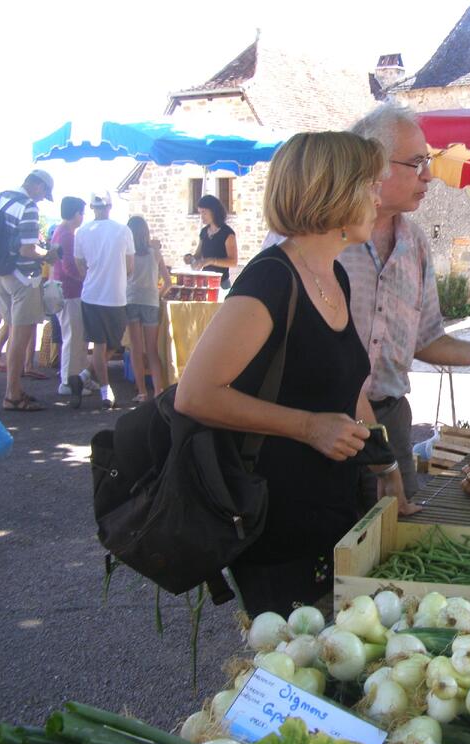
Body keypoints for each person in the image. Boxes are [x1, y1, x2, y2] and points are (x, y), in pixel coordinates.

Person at [175, 131, 407, 617]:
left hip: (330, 512)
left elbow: (349, 390)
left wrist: (384, 464)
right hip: (274, 522)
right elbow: (195, 395)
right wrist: (309, 426)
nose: (376, 197)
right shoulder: (270, 279)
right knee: (292, 661)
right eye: (368, 186)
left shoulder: (334, 274)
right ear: (335, 191)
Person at [342, 101, 470, 506]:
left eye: (428, 162)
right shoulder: (318, 241)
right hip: (328, 423)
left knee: (397, 540)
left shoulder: (413, 243)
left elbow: (426, 339)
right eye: (417, 163)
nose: (429, 175)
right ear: (373, 165)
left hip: (391, 420)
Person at [0, 170, 58, 411]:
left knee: (12, 333)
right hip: (22, 278)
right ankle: (13, 394)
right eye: (44, 193)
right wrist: (48, 254)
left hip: (0, 273)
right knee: (20, 339)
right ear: (38, 186)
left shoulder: (2, 198)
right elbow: (27, 250)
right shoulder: (28, 207)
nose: (42, 199)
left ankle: (14, 390)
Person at [74, 191, 135, 410]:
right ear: (109, 206)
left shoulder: (81, 232)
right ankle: (104, 390)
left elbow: (80, 266)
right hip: (115, 295)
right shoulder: (123, 230)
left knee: (101, 344)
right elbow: (130, 267)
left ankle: (84, 376)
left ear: (92, 207)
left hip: (91, 294)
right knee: (110, 343)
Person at [51, 196, 92, 405]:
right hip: (70, 293)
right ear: (76, 214)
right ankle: (67, 382)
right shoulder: (67, 235)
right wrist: (86, 278)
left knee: (75, 337)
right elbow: (69, 267)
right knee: (73, 337)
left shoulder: (60, 232)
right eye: (82, 213)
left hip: (64, 292)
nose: (83, 217)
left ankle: (78, 376)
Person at [125, 216, 170, 402]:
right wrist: (158, 295)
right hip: (151, 301)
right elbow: (168, 282)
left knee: (137, 348)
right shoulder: (155, 253)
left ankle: (142, 392)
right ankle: (158, 390)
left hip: (132, 299)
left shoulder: (128, 253)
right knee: (152, 350)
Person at [186, 194, 238, 289]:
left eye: (204, 212)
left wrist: (211, 261)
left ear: (214, 211)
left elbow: (233, 262)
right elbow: (198, 255)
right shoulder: (204, 232)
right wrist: (190, 258)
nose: (202, 216)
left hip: (221, 284)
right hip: (205, 283)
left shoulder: (227, 233)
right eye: (200, 213)